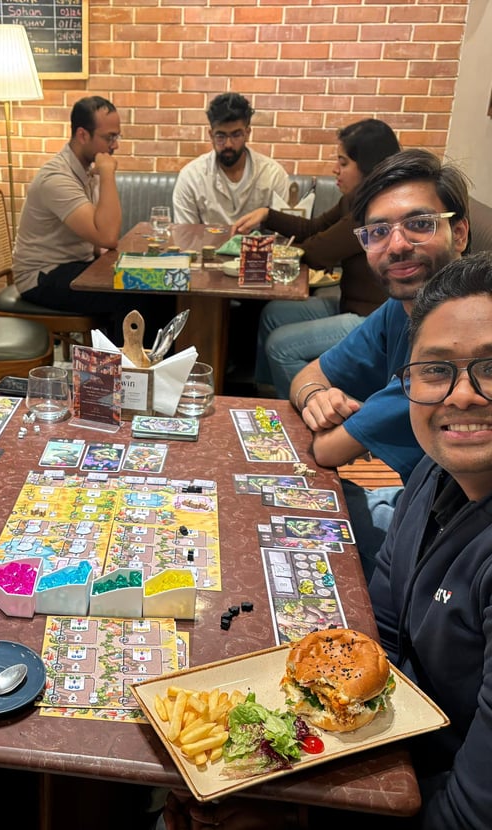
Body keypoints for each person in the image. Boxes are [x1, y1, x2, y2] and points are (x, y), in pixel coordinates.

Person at [165, 251, 492, 830]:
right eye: (436, 370)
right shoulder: (433, 474)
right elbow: (382, 630)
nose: (461, 395)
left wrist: (303, 816)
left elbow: (471, 813)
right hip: (394, 748)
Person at [288, 149, 470, 576]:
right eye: (379, 232)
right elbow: (309, 375)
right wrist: (316, 397)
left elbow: (327, 449)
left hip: (457, 549)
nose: (398, 244)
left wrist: (327, 416)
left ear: (460, 233)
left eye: (420, 224)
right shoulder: (400, 310)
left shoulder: (455, 348)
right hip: (421, 505)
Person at [232, 119, 401, 398]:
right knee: (274, 313)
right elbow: (313, 228)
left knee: (281, 345)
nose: (335, 169)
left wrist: (265, 252)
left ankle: (304, 414)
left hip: (374, 321)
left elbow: (317, 253)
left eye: (343, 162)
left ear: (369, 167)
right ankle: (270, 394)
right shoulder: (354, 200)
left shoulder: (375, 212)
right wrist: (267, 215)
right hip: (349, 306)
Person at [12, 95, 159, 344]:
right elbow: (108, 236)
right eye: (109, 137)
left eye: (117, 136)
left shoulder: (85, 170)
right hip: (41, 276)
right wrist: (107, 172)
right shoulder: (57, 178)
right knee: (134, 296)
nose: (115, 145)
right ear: (82, 135)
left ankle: (149, 362)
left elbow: (100, 237)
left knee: (153, 286)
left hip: (74, 264)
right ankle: (124, 367)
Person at [172, 92, 289, 227]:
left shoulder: (273, 175)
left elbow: (283, 234)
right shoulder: (191, 177)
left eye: (236, 135)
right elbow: (185, 234)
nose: (228, 144)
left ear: (247, 133)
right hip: (206, 242)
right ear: (211, 135)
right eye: (220, 136)